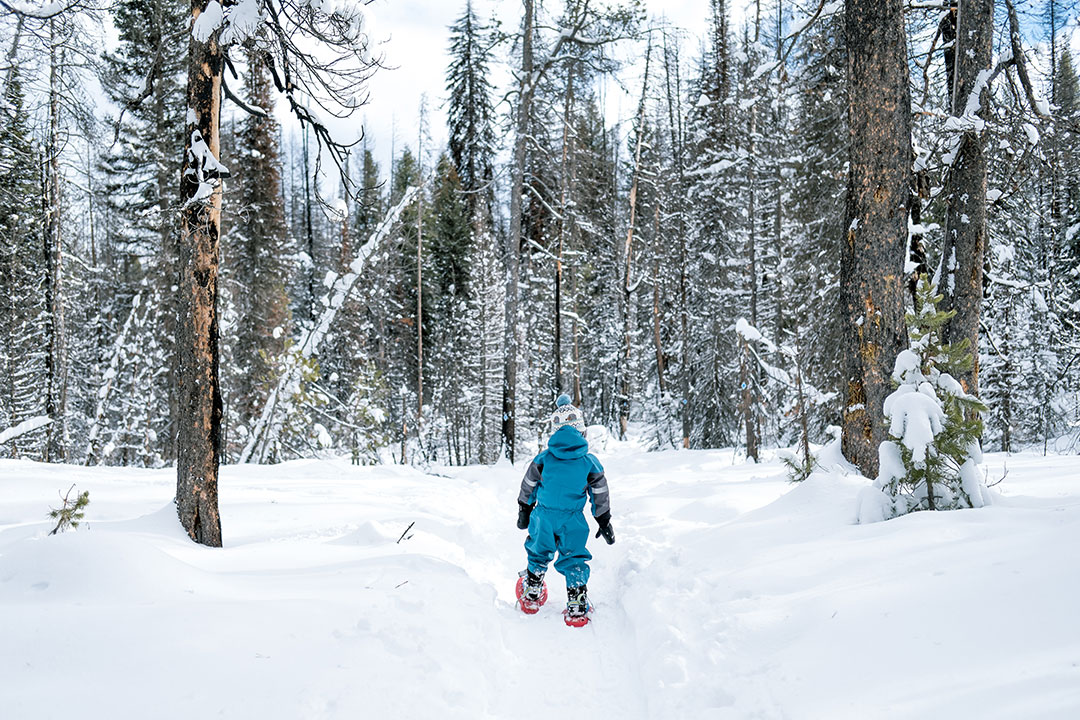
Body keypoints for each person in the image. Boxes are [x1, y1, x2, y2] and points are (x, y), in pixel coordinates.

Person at [516, 394, 615, 623]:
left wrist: (525, 508)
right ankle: (577, 604)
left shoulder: (543, 459)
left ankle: (532, 592)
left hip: (543, 516)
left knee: (539, 552)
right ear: (582, 431)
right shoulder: (589, 462)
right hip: (573, 520)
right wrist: (603, 519)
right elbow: (599, 492)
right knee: (573, 558)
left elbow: (528, 484)